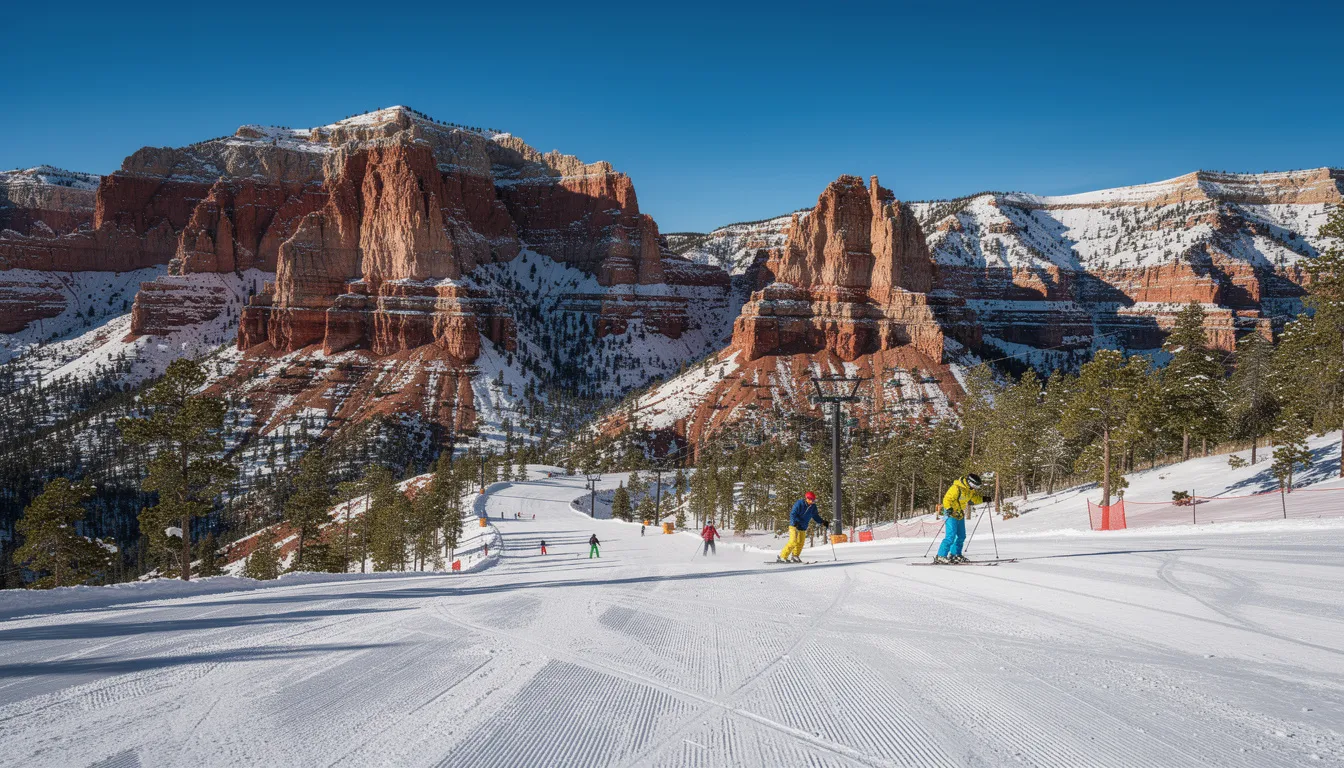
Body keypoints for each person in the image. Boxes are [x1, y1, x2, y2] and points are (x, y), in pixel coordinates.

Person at [935, 473, 984, 564]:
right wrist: (949, 508)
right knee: (951, 536)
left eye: (977, 487)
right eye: (974, 485)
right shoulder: (956, 487)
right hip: (950, 513)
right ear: (969, 482)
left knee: (962, 536)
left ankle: (955, 555)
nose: (975, 488)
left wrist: (984, 499)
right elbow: (947, 499)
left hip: (959, 513)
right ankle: (941, 556)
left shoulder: (970, 490)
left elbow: (975, 499)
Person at [777, 492, 829, 563]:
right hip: (794, 525)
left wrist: (823, 522)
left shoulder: (813, 507)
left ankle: (795, 556)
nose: (812, 501)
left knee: (800, 542)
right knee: (793, 541)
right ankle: (782, 556)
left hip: (803, 526)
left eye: (813, 500)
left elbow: (815, 516)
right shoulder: (800, 503)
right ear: (807, 498)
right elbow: (793, 513)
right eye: (811, 499)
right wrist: (794, 522)